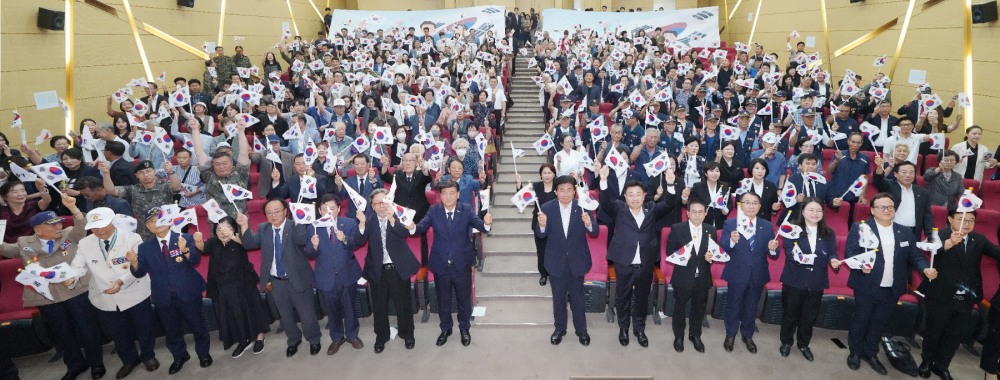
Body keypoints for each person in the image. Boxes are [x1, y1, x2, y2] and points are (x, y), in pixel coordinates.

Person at [0, 196, 106, 380]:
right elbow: (5, 249)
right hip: (47, 297)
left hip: (75, 291)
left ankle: (96, 364)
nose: (59, 226)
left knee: (87, 329)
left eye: (58, 222)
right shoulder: (24, 243)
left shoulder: (69, 234)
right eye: (52, 225)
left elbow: (82, 224)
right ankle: (75, 365)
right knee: (62, 334)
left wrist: (73, 209)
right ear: (37, 229)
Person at [844, 193, 937, 375]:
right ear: (872, 210)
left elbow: (916, 256)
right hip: (866, 284)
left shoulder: (905, 231)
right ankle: (855, 352)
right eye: (881, 207)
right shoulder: (861, 228)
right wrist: (861, 266)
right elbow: (851, 253)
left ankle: (870, 353)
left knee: (880, 322)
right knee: (861, 320)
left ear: (895, 210)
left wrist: (925, 269)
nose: (886, 210)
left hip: (892, 287)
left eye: (890, 207)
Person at [69, 207, 158, 380]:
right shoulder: (85, 243)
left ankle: (148, 356)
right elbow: (77, 266)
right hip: (104, 296)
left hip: (134, 291)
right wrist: (69, 278)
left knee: (144, 326)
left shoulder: (132, 238)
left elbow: (138, 266)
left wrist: (121, 281)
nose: (100, 230)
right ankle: (129, 360)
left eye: (104, 225)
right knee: (117, 332)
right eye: (95, 227)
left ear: (112, 222)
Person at [597, 163, 678, 348]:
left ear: (644, 196)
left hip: (646, 262)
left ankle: (639, 329)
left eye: (638, 194)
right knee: (622, 297)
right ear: (625, 196)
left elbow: (669, 204)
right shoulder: (619, 208)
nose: (635, 198)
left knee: (642, 298)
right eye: (631, 195)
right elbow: (605, 202)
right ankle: (623, 328)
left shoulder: (651, 208)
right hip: (623, 261)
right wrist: (602, 180)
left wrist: (671, 185)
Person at [406, 179, 492, 347]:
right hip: (441, 263)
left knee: (463, 299)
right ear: (440, 195)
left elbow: (479, 225)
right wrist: (412, 227)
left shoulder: (466, 209)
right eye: (444, 193)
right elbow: (421, 227)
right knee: (443, 299)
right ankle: (446, 328)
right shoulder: (434, 211)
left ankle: (464, 328)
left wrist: (487, 224)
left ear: (458, 194)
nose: (448, 196)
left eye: (452, 193)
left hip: (462, 263)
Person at [916, 208, 1000, 380]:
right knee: (934, 331)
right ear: (950, 219)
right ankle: (926, 362)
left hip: (966, 297)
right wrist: (948, 244)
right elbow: (927, 251)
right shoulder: (939, 235)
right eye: (962, 219)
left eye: (971, 220)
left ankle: (941, 366)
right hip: (940, 294)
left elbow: (997, 253)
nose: (966, 223)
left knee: (955, 335)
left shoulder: (980, 239)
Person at [126, 208, 212, 374]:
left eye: (160, 219)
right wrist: (134, 262)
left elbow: (195, 261)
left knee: (198, 325)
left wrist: (185, 250)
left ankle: (204, 353)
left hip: (188, 291)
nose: (157, 223)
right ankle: (180, 356)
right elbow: (139, 272)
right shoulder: (145, 248)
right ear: (148, 227)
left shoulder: (184, 237)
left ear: (169, 221)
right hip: (162, 295)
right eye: (152, 221)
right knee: (171, 330)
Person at [237, 199, 320, 357]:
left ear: (285, 211)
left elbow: (301, 239)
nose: (273, 215)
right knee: (285, 315)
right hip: (276, 280)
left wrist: (299, 221)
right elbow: (249, 243)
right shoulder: (264, 228)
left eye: (277, 211)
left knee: (307, 314)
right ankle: (293, 340)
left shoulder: (294, 224)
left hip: (298, 278)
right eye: (269, 212)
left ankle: (314, 339)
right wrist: (244, 225)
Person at [534, 175, 598, 346]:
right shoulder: (547, 208)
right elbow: (541, 234)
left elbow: (594, 232)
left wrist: (589, 224)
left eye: (569, 189)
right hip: (556, 261)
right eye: (561, 190)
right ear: (556, 191)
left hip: (577, 260)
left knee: (578, 298)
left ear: (574, 191)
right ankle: (559, 329)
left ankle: (581, 330)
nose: (565, 193)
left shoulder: (582, 207)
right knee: (558, 299)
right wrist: (541, 225)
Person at [356, 189, 419, 353]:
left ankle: (407, 333)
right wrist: (361, 224)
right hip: (377, 270)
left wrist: (392, 217)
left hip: (398, 268)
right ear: (372, 206)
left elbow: (405, 233)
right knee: (379, 306)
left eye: (384, 201)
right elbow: (359, 241)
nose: (382, 206)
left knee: (403, 304)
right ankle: (381, 336)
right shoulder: (369, 221)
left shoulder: (398, 216)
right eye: (378, 203)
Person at [778, 198, 839, 362]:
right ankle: (786, 342)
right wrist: (802, 258)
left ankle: (804, 344)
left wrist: (833, 260)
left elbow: (832, 252)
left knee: (809, 316)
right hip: (794, 279)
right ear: (803, 211)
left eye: (819, 210)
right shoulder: (792, 230)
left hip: (816, 281)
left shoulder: (828, 233)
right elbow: (790, 251)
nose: (815, 213)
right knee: (790, 314)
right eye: (811, 210)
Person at [199, 216, 268, 358]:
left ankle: (260, 337)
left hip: (243, 283)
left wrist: (232, 235)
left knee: (251, 310)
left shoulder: (239, 239)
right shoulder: (213, 242)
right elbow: (203, 249)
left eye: (227, 228)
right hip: (222, 286)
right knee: (233, 314)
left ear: (233, 229)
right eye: (219, 229)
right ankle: (243, 340)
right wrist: (198, 241)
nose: (222, 232)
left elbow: (245, 243)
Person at [303, 194, 364, 355]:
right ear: (319, 210)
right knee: (332, 310)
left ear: (339, 209)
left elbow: (356, 243)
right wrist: (313, 246)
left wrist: (344, 239)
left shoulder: (349, 223)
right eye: (324, 209)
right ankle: (337, 338)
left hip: (347, 273)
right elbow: (308, 254)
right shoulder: (313, 227)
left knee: (350, 307)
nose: (328, 212)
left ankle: (352, 335)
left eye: (332, 208)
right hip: (325, 276)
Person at [720, 192, 779, 353]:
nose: (751, 206)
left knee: (751, 307)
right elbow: (723, 246)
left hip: (758, 273)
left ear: (759, 207)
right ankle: (730, 335)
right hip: (737, 272)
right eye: (747, 202)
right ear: (740, 205)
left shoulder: (766, 225)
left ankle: (747, 335)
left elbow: (774, 252)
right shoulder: (731, 224)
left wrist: (773, 249)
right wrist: (731, 240)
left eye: (755, 203)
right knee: (733, 305)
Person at [664, 199, 717, 353]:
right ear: (687, 213)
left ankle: (695, 335)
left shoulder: (711, 230)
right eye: (694, 211)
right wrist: (681, 256)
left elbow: (713, 252)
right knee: (679, 308)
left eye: (701, 211)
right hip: (683, 276)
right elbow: (669, 251)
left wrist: (710, 257)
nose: (697, 215)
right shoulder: (677, 228)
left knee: (698, 309)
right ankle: (679, 336)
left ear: (706, 213)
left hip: (703, 277)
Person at [100, 160, 181, 240]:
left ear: (155, 171)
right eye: (141, 172)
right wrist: (106, 174)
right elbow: (111, 190)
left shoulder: (165, 185)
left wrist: (170, 171)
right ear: (136, 175)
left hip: (167, 231)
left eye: (148, 171)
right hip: (144, 235)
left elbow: (176, 187)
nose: (145, 175)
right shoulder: (132, 190)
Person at [514, 164, 558, 286]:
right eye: (545, 173)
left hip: (556, 223)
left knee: (555, 250)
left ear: (554, 174)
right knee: (541, 250)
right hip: (539, 223)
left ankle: (554, 273)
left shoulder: (558, 186)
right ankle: (543, 274)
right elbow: (522, 197)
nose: (547, 175)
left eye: (550, 173)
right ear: (540, 174)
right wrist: (518, 184)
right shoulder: (535, 186)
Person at [872, 159, 934, 240]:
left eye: (911, 172)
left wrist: (931, 236)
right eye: (904, 172)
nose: (908, 175)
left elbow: (927, 216)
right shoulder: (889, 186)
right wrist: (879, 168)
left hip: (913, 232)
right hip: (891, 230)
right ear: (895, 174)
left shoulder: (922, 192)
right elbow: (879, 181)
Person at [0, 179, 52, 244]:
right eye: (15, 192)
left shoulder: (33, 206)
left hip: (34, 246)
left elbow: (47, 201)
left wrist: (42, 189)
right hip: (10, 249)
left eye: (23, 190)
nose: (21, 194)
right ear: (4, 197)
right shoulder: (2, 211)